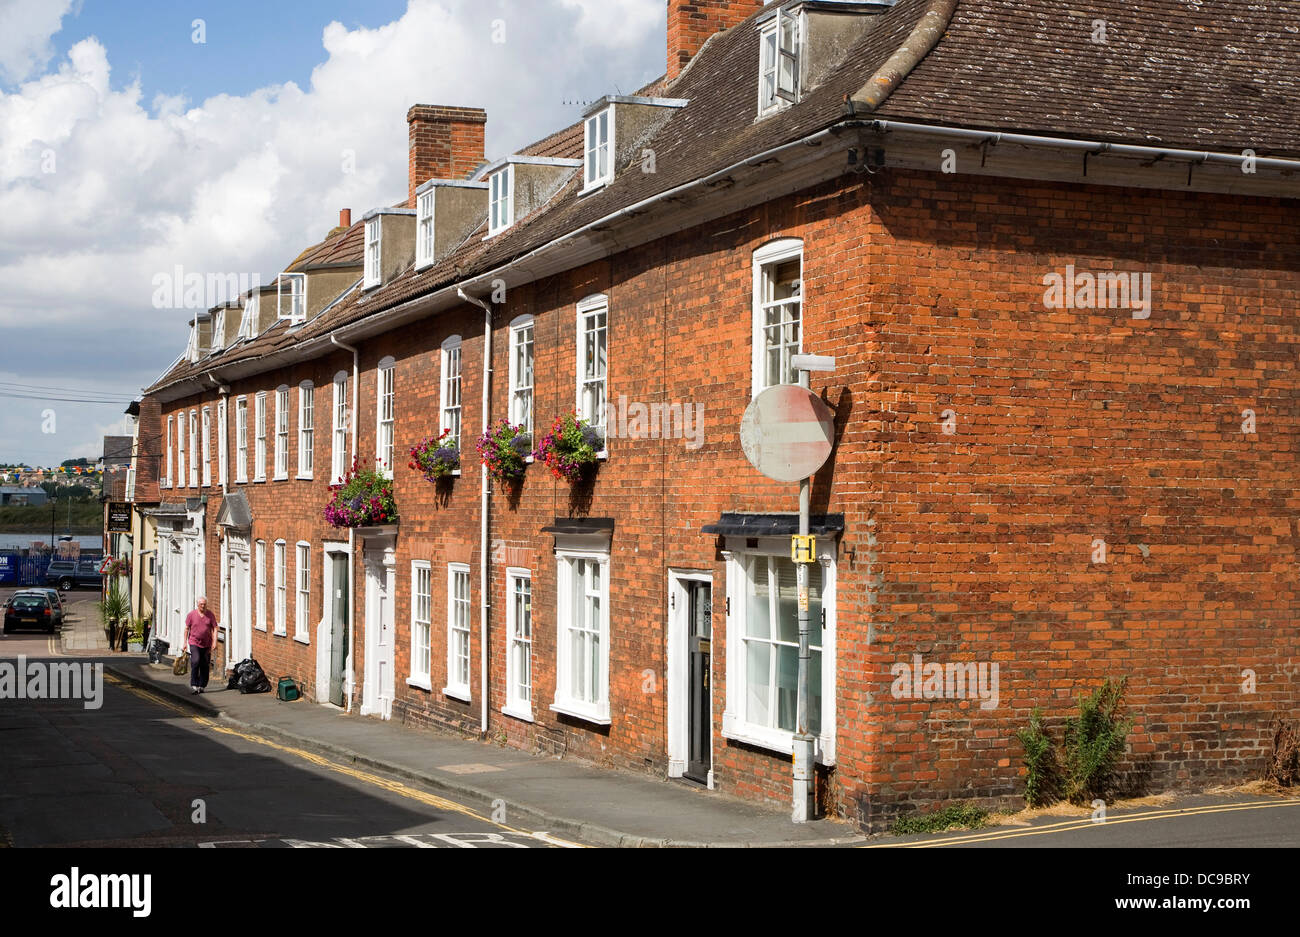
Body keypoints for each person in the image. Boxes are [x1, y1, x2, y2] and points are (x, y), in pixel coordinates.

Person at [182, 596, 219, 694]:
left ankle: (202, 685)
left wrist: (215, 642)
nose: (203, 606)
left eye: (204, 604)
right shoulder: (191, 615)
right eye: (201, 604)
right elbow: (186, 628)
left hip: (207, 643)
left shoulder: (210, 615)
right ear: (197, 605)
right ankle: (194, 683)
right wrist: (185, 642)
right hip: (194, 642)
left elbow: (215, 628)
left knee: (205, 664)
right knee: (195, 660)